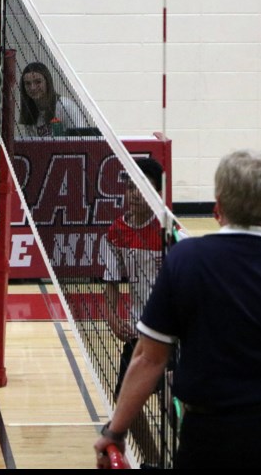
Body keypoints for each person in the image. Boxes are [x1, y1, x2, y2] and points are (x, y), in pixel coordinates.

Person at [94, 149, 261, 469]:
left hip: (216, 436)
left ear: (218, 204)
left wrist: (114, 432)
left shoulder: (186, 259)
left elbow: (149, 359)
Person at [101, 157, 164, 398]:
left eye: (143, 188)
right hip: (139, 333)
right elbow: (111, 282)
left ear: (157, 192)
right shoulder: (116, 233)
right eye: (131, 188)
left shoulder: (168, 232)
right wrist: (113, 319)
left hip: (172, 335)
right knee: (124, 404)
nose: (135, 195)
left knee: (172, 403)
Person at [17, 61, 87, 137]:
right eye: (28, 83)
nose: (33, 87)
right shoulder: (30, 113)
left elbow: (82, 140)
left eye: (38, 82)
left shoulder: (66, 106)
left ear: (47, 82)